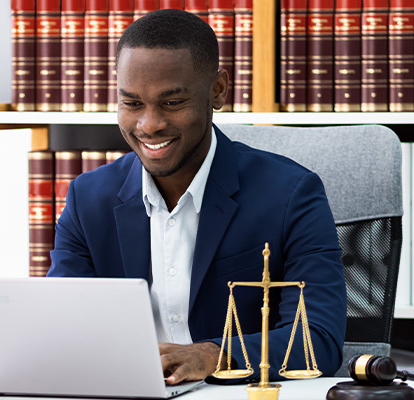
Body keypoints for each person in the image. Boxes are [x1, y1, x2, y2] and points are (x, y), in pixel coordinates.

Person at [47, 9, 346, 386]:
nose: (149, 124)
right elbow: (61, 330)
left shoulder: (291, 195)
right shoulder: (88, 199)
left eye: (172, 103)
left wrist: (213, 355)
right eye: (132, 103)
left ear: (218, 90)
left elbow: (320, 339)